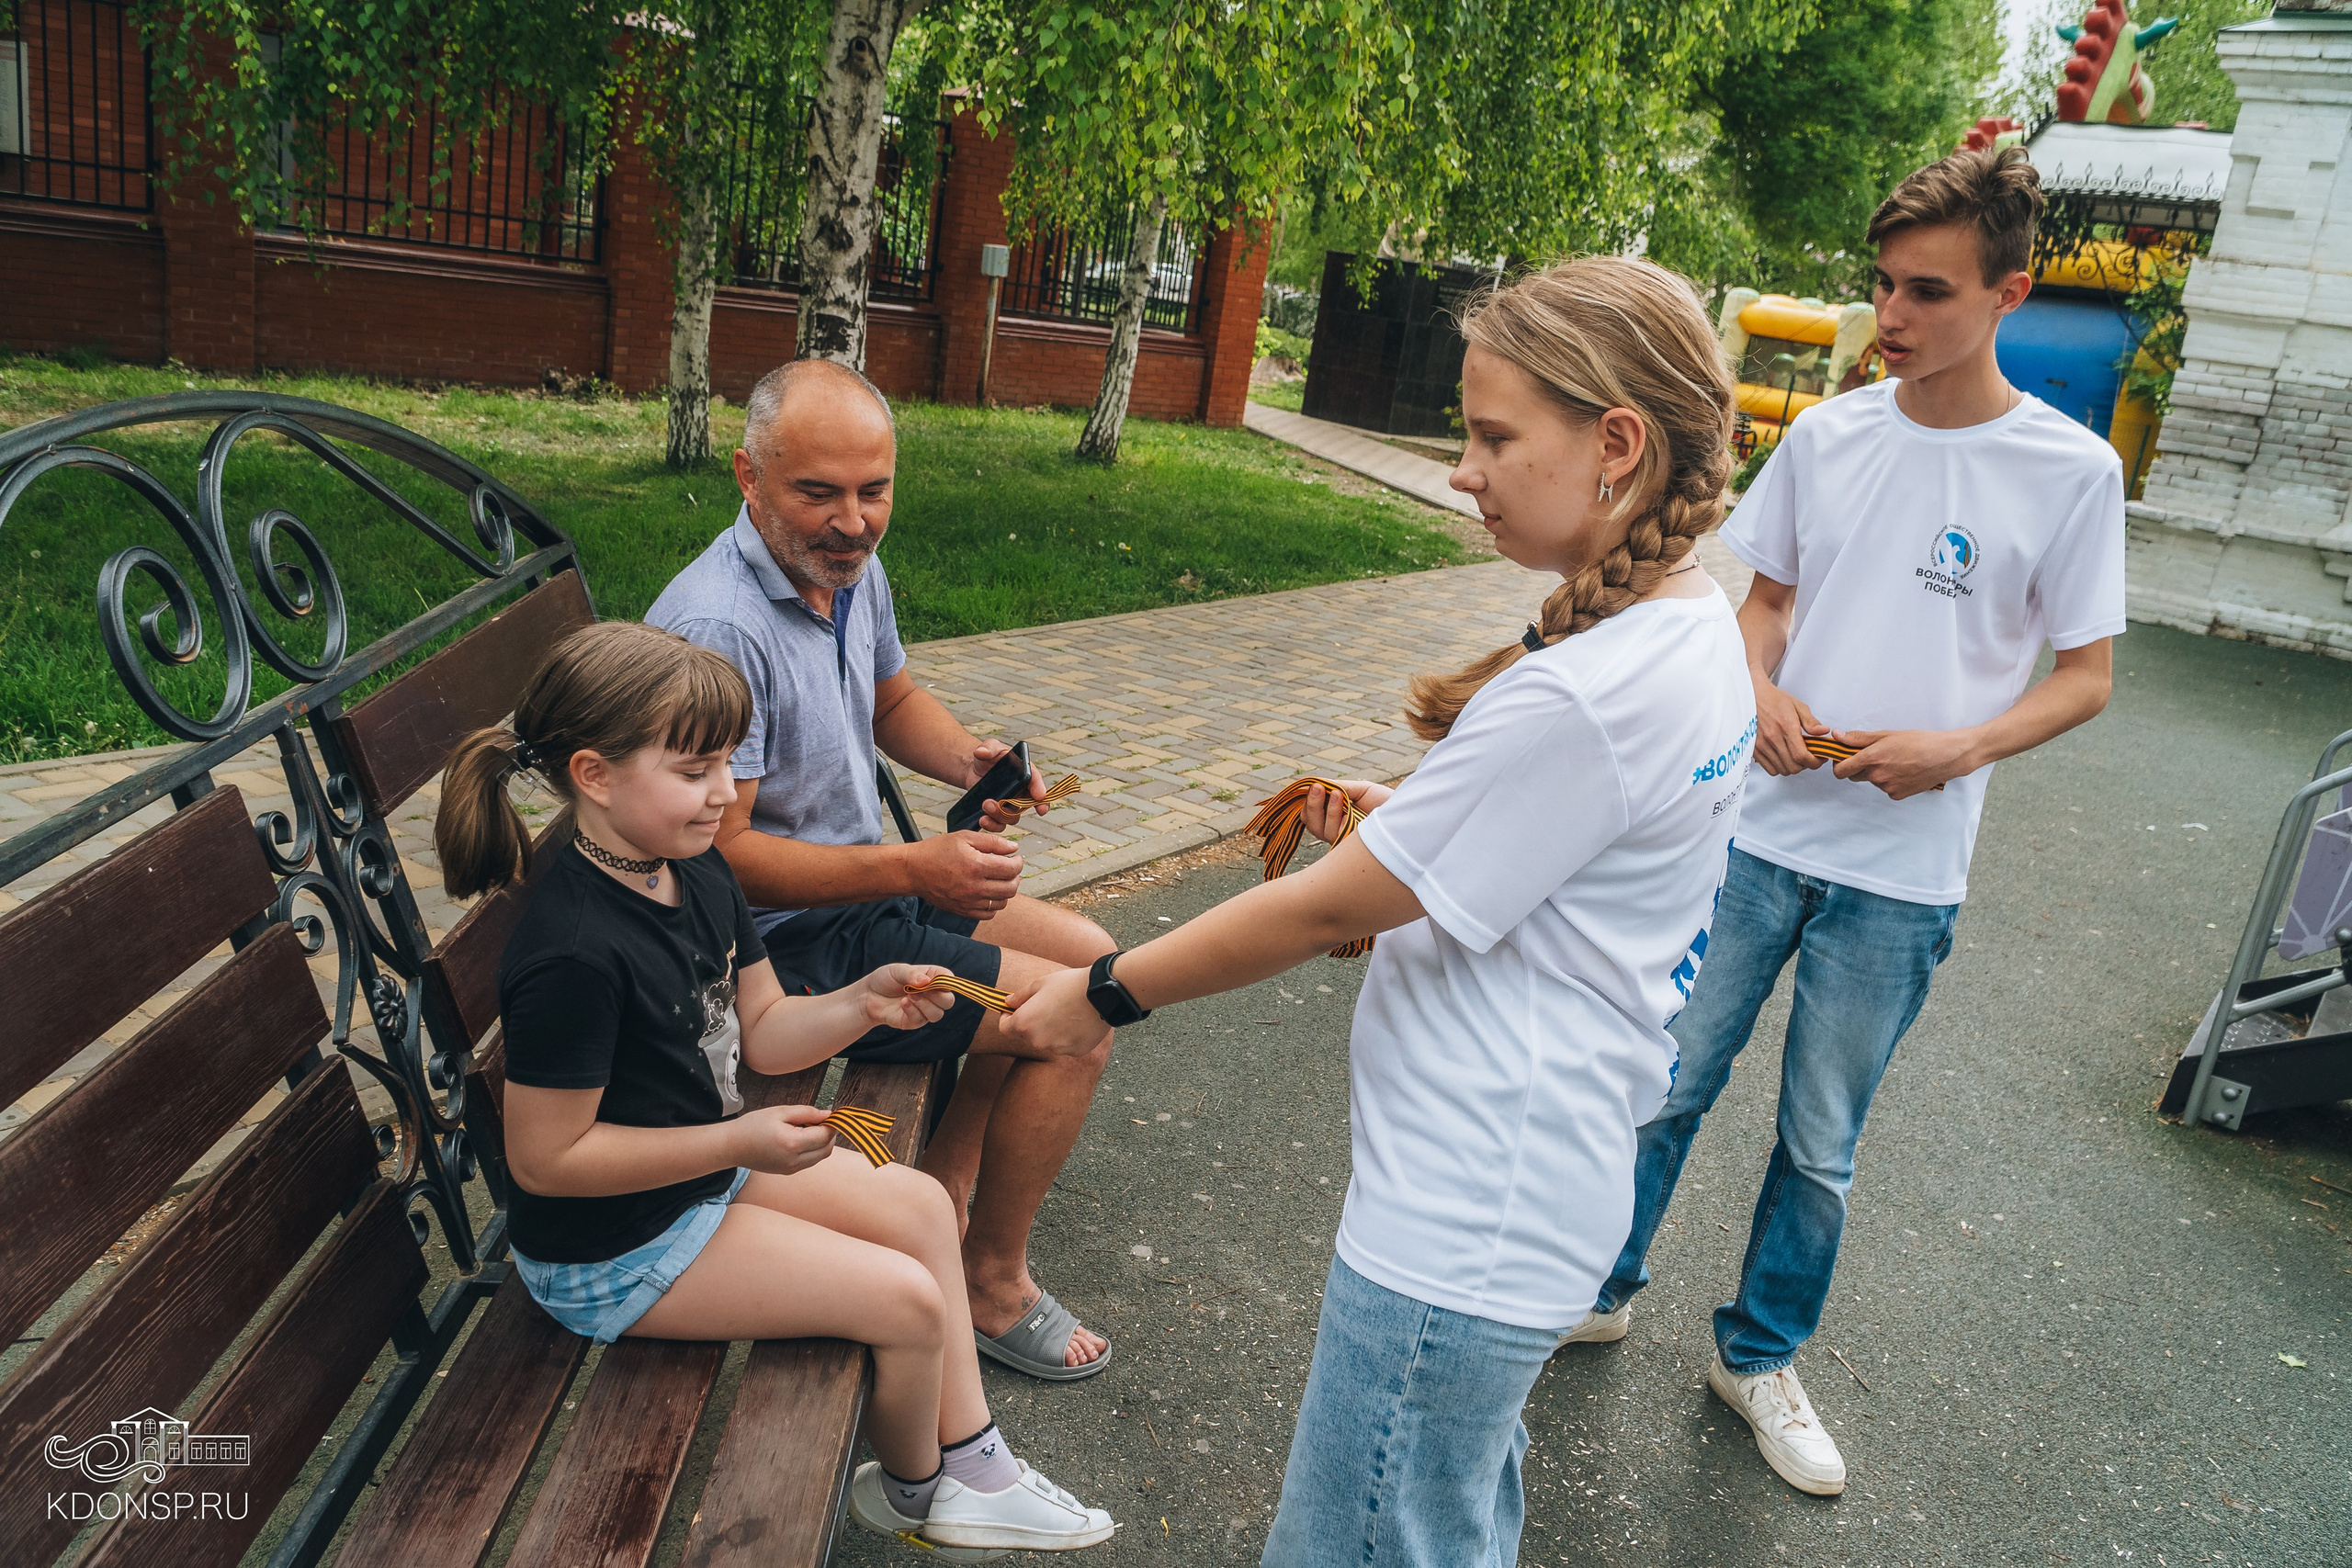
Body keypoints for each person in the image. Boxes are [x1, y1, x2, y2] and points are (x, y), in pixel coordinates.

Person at [1002, 255, 1755, 1568]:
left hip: (1466, 1220)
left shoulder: (1579, 685)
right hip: (1540, 1189)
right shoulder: (1691, 629)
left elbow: (1318, 911)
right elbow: (1544, 840)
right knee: (1442, 1520)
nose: (1464, 468)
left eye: (1492, 434)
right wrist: (1424, 820)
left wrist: (1099, 987)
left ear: (1616, 443)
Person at [1579, 146, 2125, 1498]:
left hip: (1905, 875)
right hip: (1758, 837)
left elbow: (2086, 679)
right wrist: (1758, 683)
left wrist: (1961, 745)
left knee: (1820, 1140)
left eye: (1927, 291)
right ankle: (1596, 1282)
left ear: (2012, 291)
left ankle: (1757, 1354)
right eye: (1882, 284)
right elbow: (1763, 601)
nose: (1890, 316)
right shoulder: (1829, 435)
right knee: (1665, 1082)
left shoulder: (2071, 473)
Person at [432, 621, 1114, 1556]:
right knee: (907, 1300)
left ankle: (977, 1462)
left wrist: (865, 1002)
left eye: (726, 764)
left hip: (696, 1175)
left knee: (917, 1205)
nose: (725, 794)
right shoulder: (573, 953)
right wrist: (734, 1144)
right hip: (614, 1249)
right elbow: (546, 1165)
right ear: (593, 775)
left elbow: (764, 1026)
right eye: (694, 770)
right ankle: (915, 1495)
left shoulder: (693, 864)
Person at [646, 359, 1114, 1381]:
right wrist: (918, 866)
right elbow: (719, 864)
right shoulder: (718, 630)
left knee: (1092, 960)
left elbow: (890, 698)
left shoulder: (842, 568)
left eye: (874, 490)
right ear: (749, 478)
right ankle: (991, 1285)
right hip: (777, 951)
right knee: (1069, 1023)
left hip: (866, 893)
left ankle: (944, 1185)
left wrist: (969, 762)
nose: (853, 521)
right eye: (818, 492)